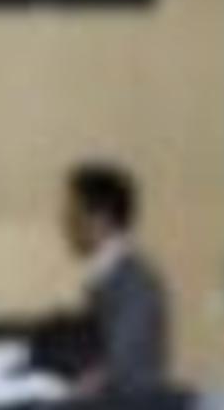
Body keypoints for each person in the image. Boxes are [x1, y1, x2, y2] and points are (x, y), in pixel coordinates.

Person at [64, 160, 171, 391]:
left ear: (101, 218)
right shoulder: (104, 278)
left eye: (74, 213)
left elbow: (122, 364)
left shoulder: (136, 282)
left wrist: (78, 389)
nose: (67, 223)